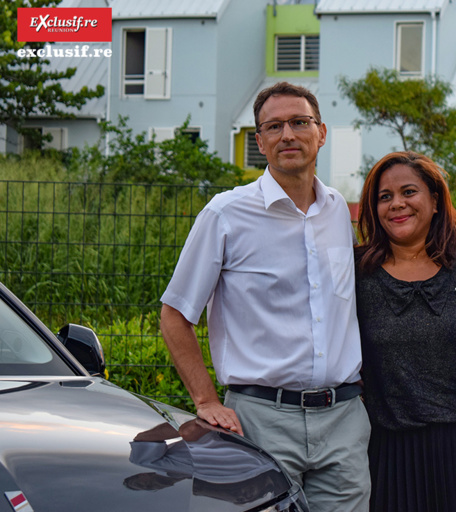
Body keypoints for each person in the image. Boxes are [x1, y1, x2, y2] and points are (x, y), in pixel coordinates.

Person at [160, 82, 370, 512]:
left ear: (322, 132)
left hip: (343, 420)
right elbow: (175, 314)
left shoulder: (338, 212)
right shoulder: (225, 214)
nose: (287, 135)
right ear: (260, 141)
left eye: (299, 122)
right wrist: (205, 400)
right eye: (274, 126)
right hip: (260, 420)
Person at [354, 151, 456, 512]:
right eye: (384, 197)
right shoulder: (355, 271)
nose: (397, 204)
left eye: (408, 192)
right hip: (387, 446)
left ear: (435, 200)